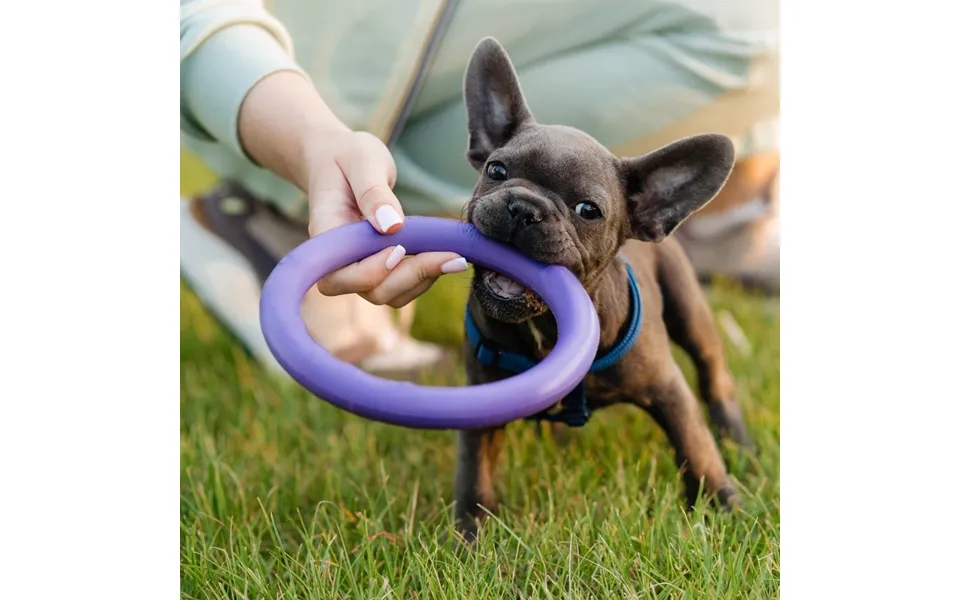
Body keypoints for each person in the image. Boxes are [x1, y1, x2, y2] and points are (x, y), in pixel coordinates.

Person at [180, 0, 780, 376]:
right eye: (498, 172)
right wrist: (315, 146)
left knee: (761, 29)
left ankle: (703, 222)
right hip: (306, 45)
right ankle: (301, 203)